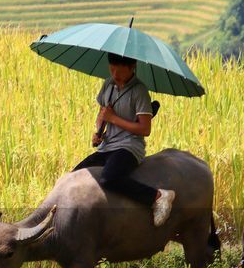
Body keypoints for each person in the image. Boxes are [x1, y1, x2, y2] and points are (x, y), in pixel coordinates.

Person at [73, 53, 176, 226]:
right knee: (74, 176)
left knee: (109, 178)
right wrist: (99, 130)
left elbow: (145, 128)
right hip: (106, 147)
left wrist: (113, 118)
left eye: (119, 71)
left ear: (132, 67)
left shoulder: (139, 91)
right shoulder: (108, 85)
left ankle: (157, 196)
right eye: (112, 69)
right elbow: (102, 113)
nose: (115, 75)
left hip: (129, 147)